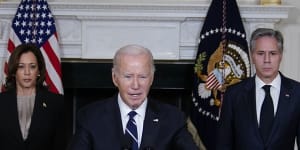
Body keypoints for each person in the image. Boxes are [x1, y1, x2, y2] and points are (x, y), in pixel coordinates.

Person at [68, 44, 199, 150]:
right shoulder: (90, 117)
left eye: (142, 77)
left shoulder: (173, 118)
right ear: (115, 78)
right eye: (128, 77)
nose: (135, 85)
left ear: (152, 78)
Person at [216, 28, 300, 150]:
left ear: (280, 56)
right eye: (260, 53)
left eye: (273, 53)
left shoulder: (297, 93)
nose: (267, 60)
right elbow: (223, 144)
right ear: (252, 56)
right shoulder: (234, 94)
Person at [0, 43, 66, 150]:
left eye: (32, 66)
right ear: (14, 71)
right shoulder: (1, 102)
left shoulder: (56, 103)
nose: (27, 72)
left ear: (39, 71)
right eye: (21, 67)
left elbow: (60, 144)